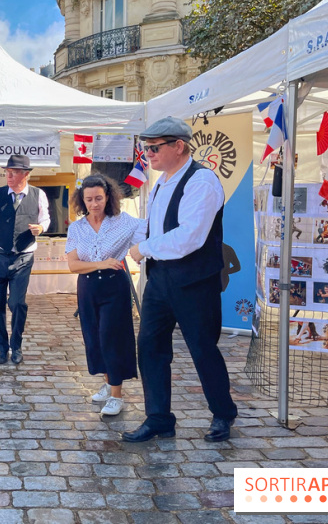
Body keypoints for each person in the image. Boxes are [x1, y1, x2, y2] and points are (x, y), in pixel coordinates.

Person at [125, 116, 238, 443]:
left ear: (179, 145)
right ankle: (159, 417)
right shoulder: (161, 181)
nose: (149, 154)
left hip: (193, 281)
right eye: (146, 148)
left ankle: (223, 412)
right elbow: (155, 226)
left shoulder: (202, 181)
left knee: (203, 349)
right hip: (161, 280)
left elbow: (190, 236)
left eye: (154, 148)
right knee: (149, 347)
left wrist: (143, 248)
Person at [66, 175, 144, 417]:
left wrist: (139, 252)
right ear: (82, 200)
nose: (94, 204)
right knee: (95, 338)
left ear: (109, 196)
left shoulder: (125, 222)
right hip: (88, 288)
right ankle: (108, 382)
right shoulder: (77, 227)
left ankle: (117, 395)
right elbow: (73, 265)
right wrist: (100, 263)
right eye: (88, 199)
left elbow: (150, 232)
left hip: (114, 287)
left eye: (98, 198)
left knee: (113, 337)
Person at [0, 154, 50, 365]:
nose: (9, 177)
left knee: (17, 303)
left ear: (26, 174)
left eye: (13, 173)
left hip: (23, 256)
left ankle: (17, 345)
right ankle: (2, 348)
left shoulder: (38, 194)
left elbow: (46, 219)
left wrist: (41, 228)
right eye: (7, 172)